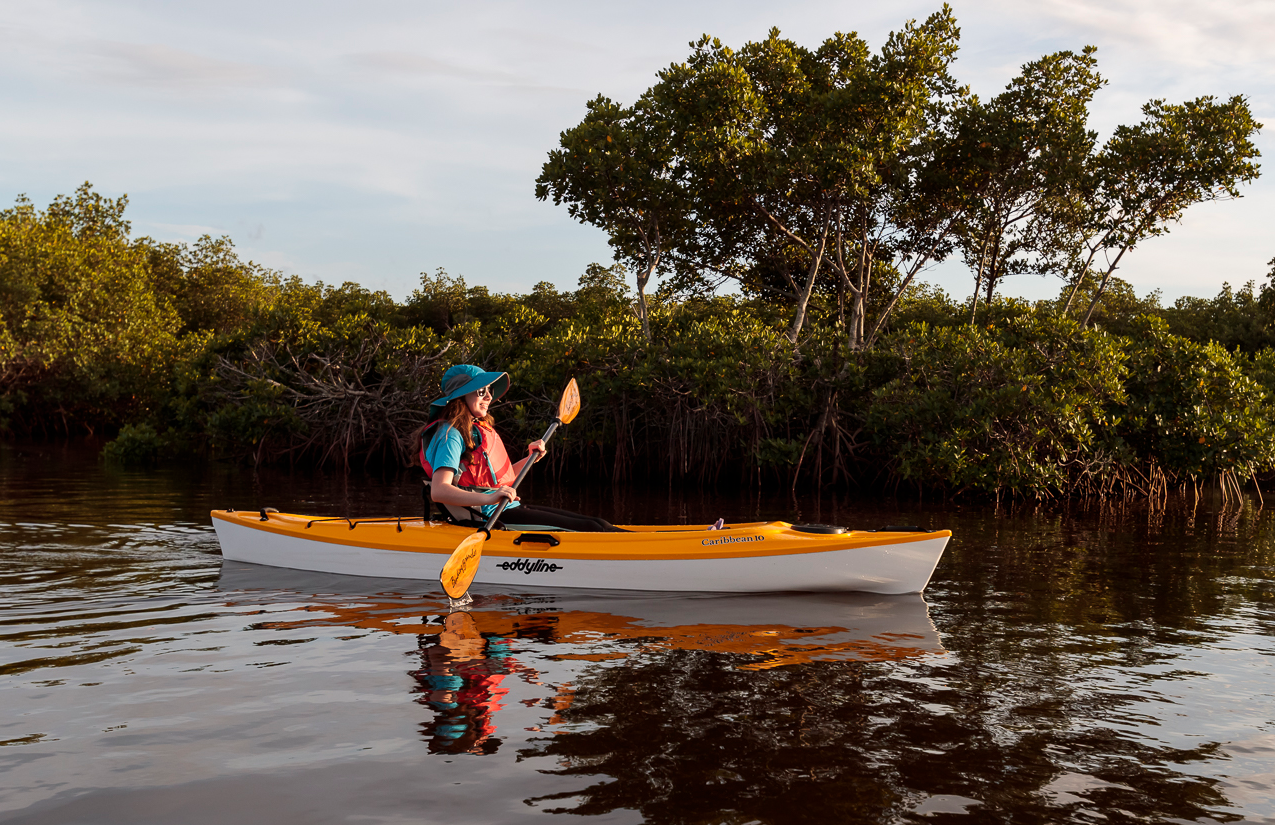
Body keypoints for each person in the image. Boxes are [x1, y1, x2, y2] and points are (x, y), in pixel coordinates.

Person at [419, 364, 625, 532]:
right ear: (461, 396)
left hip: (504, 508)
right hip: (489, 516)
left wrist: (530, 459)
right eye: (481, 391)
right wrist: (490, 498)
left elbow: (498, 480)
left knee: (598, 522)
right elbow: (439, 490)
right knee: (593, 528)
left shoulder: (474, 429)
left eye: (489, 391)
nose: (489, 397)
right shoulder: (449, 435)